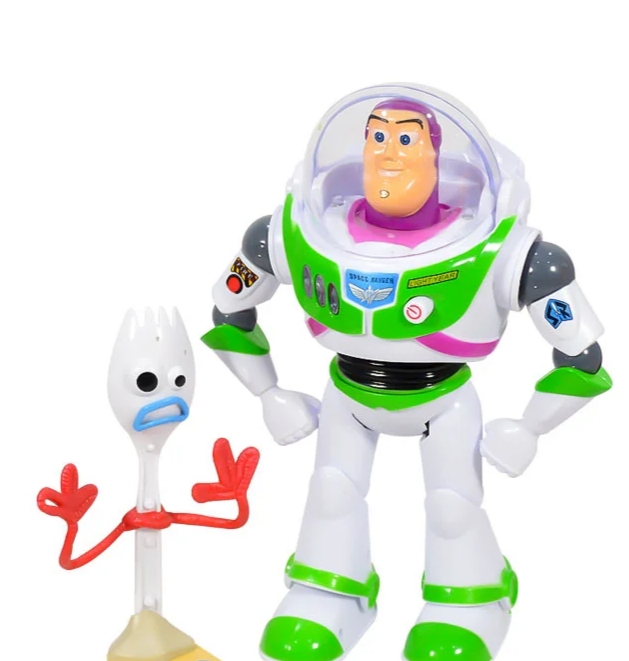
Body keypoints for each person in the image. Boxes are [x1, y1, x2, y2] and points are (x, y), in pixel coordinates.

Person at [202, 84, 611, 661]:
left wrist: (532, 426)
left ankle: (473, 598)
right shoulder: (296, 231)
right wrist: (266, 391)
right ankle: (330, 591)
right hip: (347, 392)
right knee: (331, 491)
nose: (387, 153)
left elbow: (582, 356)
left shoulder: (509, 252)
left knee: (452, 503)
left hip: (443, 398)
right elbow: (229, 311)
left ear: (434, 155)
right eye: (375, 137)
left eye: (404, 139)